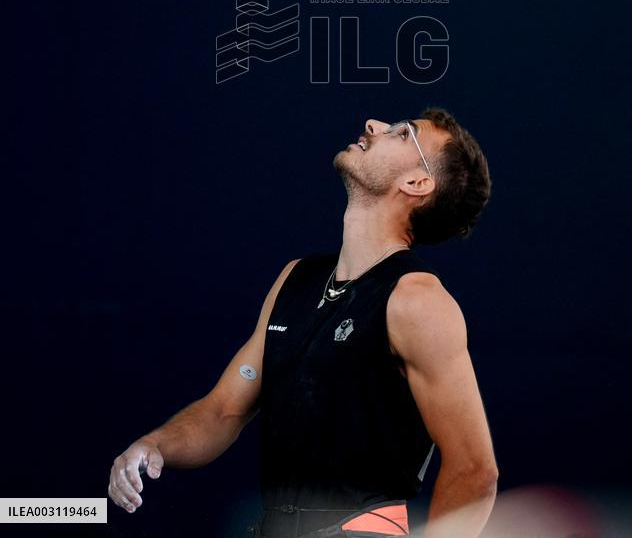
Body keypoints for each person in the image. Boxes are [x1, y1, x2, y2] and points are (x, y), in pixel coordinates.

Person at [108, 107, 499, 537]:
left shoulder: (417, 299)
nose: (372, 124)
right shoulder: (296, 279)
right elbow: (223, 410)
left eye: (402, 133)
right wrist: (153, 445)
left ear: (417, 183)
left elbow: (475, 471)